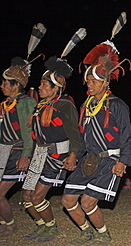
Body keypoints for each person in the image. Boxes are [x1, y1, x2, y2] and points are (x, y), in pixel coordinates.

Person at [62, 40, 131, 245]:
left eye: (93, 81)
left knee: (87, 202)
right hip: (89, 160)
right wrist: (74, 154)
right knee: (68, 199)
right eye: (88, 81)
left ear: (105, 82)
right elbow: (84, 137)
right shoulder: (87, 106)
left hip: (110, 161)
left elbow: (127, 137)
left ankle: (103, 233)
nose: (89, 85)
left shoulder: (118, 105)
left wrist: (123, 161)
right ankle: (86, 231)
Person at [21, 56, 81, 242]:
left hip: (57, 156)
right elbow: (36, 135)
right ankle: (42, 226)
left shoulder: (65, 105)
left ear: (56, 88)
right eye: (40, 83)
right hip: (39, 154)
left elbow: (74, 133)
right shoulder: (40, 107)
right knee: (26, 195)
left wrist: (72, 155)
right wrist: (28, 156)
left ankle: (51, 227)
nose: (40, 87)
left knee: (37, 196)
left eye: (45, 85)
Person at [0, 57, 36, 237]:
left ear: (15, 85)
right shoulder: (5, 105)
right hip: (3, 153)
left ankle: (10, 225)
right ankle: (4, 223)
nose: (1, 86)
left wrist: (26, 155)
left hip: (17, 153)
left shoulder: (26, 103)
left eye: (5, 83)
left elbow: (30, 131)